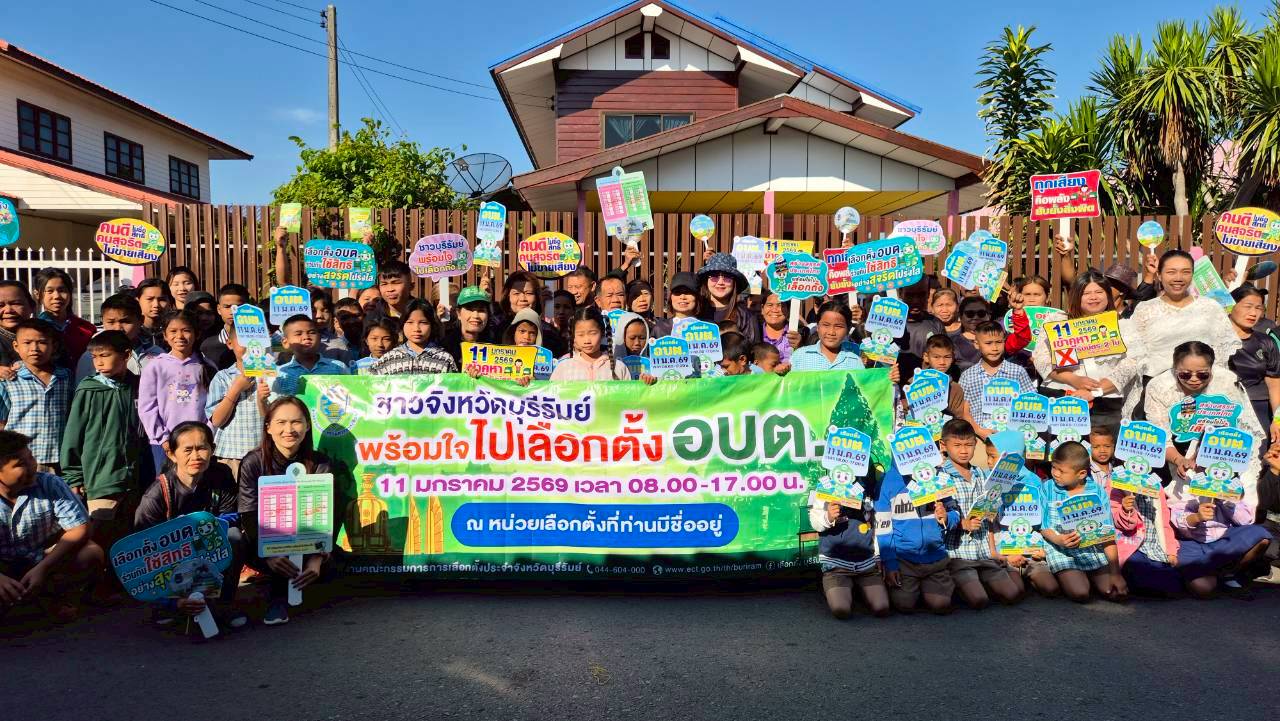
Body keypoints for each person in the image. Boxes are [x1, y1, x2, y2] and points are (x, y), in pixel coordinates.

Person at [238, 397, 347, 625]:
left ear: (307, 426)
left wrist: (318, 557)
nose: (289, 430)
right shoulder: (252, 463)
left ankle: (308, 587)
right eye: (281, 422)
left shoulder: (321, 464)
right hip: (263, 547)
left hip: (309, 544)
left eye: (296, 422)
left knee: (337, 568)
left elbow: (331, 514)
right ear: (268, 427)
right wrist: (269, 553)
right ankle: (276, 599)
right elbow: (248, 514)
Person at [133, 421, 246, 628]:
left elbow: (232, 515)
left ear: (213, 449)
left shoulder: (220, 475)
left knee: (234, 536)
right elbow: (142, 549)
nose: (196, 456)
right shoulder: (157, 494)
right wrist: (172, 602)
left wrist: (205, 529)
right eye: (187, 450)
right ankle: (169, 606)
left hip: (210, 545)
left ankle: (223, 604)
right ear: (172, 454)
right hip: (171, 557)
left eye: (202, 448)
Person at [0, 430, 103, 622]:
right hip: (4, 567)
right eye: (20, 464)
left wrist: (44, 568)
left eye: (31, 458)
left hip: (41, 558)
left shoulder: (49, 483)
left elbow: (80, 527)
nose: (32, 465)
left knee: (90, 553)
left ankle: (55, 598)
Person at [1144, 341, 1264, 507]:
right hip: (1179, 451)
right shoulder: (1160, 387)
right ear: (1175, 369)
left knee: (1237, 501)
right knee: (1187, 503)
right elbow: (1161, 438)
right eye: (1185, 375)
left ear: (1211, 369)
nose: (1194, 379)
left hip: (1224, 450)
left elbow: (1245, 427)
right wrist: (1179, 460)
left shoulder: (1227, 381)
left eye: (1202, 375)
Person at [59, 331, 143, 556]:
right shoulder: (89, 389)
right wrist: (74, 476)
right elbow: (73, 435)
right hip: (100, 477)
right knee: (99, 536)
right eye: (95, 357)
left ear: (126, 355)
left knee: (130, 539)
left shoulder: (139, 386)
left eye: (105, 355)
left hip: (135, 479)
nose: (99, 362)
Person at [1031, 271, 1143, 426]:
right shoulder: (1057, 322)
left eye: (1099, 292)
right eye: (1086, 293)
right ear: (1076, 296)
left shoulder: (1123, 326)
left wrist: (1095, 391)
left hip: (1105, 402)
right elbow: (1041, 358)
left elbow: (1132, 363)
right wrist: (1073, 379)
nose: (1093, 297)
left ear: (1108, 295)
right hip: (1060, 396)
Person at [941, 421, 1023, 608]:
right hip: (958, 554)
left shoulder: (981, 474)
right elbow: (939, 518)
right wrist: (962, 523)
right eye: (957, 445)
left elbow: (990, 516)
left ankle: (981, 582)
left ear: (975, 444)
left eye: (969, 445)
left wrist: (993, 551)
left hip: (984, 552)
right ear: (944, 446)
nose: (964, 451)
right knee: (979, 600)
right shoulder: (940, 477)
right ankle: (957, 584)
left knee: (1012, 594)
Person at [1127, 250, 1241, 380]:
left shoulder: (1210, 307)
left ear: (1192, 275)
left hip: (1202, 384)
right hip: (1156, 384)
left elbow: (1221, 354)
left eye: (1185, 272)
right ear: (1159, 275)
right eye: (1171, 272)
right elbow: (1134, 354)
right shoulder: (1145, 309)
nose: (1178, 278)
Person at [1100, 424, 1184, 598]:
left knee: (1173, 581)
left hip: (1154, 545)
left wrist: (1170, 551)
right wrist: (1126, 509)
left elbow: (1164, 522)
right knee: (1140, 570)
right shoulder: (1116, 483)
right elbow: (1117, 521)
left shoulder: (1155, 486)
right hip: (1129, 545)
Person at [1039, 441, 1126, 603]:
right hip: (1061, 549)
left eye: (1061, 471)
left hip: (1092, 549)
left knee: (1115, 593)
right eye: (1053, 467)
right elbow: (1044, 527)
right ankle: (1071, 577)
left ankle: (1092, 577)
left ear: (1081, 474)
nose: (1055, 473)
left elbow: (1107, 534)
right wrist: (1058, 539)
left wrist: (1116, 573)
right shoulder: (1047, 488)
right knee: (1080, 593)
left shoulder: (1097, 491)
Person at [874, 459, 960, 614]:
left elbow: (955, 512)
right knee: (904, 605)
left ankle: (930, 589)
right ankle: (914, 591)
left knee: (941, 605)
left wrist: (947, 517)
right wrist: (890, 563)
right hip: (904, 560)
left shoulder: (938, 475)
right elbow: (883, 528)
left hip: (935, 558)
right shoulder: (887, 481)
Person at [138, 310, 212, 475]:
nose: (180, 336)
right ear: (165, 335)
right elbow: (147, 408)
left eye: (186, 330)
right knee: (168, 485)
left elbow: (213, 406)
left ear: (197, 334)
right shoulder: (155, 366)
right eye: (173, 331)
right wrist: (162, 438)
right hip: (165, 443)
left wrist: (207, 435)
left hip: (199, 442)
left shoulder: (206, 366)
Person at [808, 479, 890, 620]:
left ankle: (857, 589)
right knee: (841, 610)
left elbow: (874, 524)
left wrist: (877, 555)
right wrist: (828, 517)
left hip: (866, 563)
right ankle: (837, 588)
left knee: (881, 608)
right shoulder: (826, 486)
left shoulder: (867, 485)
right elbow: (815, 523)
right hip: (836, 564)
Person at [0, 319, 71, 473]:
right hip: (21, 460)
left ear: (54, 346)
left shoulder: (66, 378)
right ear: (16, 346)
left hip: (60, 459)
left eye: (42, 342)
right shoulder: (9, 380)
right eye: (27, 343)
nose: (34, 348)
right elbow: (2, 423)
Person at [206, 330, 271, 478]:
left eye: (255, 341)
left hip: (265, 452)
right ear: (230, 344)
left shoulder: (270, 376)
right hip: (232, 454)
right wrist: (235, 389)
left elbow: (274, 417)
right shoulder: (222, 377)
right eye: (244, 341)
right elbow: (217, 420)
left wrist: (262, 399)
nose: (250, 346)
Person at [958, 321, 1034, 444]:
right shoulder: (968, 376)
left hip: (1013, 437)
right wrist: (979, 431)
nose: (994, 348)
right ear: (976, 344)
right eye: (988, 343)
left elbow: (1031, 404)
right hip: (979, 438)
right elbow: (964, 412)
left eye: (999, 342)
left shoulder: (1017, 372)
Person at [1226, 285, 1280, 446]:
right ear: (1231, 306)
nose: (1253, 313)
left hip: (1258, 407)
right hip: (1220, 407)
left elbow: (1275, 386)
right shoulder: (1212, 337)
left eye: (1258, 308)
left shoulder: (1266, 342)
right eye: (1247, 306)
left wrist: (1277, 420)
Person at [74, 294, 160, 384]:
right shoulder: (90, 357)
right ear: (102, 321)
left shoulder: (157, 354)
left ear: (141, 320)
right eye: (111, 322)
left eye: (125, 321)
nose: (118, 328)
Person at [368, 299, 456, 375]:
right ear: (402, 324)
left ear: (432, 325)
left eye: (423, 322)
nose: (416, 329)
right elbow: (371, 385)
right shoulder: (389, 358)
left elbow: (454, 387)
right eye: (410, 322)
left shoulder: (444, 358)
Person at [271, 315, 349, 397]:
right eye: (298, 334)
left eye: (311, 332)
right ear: (285, 343)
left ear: (319, 338)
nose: (306, 337)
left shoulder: (338, 367)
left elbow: (351, 397)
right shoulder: (280, 373)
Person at [33, 268, 95, 366]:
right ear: (37, 294)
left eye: (62, 290)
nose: (57, 296)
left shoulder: (87, 329)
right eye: (50, 291)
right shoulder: (33, 330)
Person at [550, 306, 631, 381]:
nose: (587, 341)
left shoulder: (618, 367)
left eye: (593, 333)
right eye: (580, 335)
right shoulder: (563, 368)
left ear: (602, 333)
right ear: (574, 336)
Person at [495, 271, 563, 357]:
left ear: (537, 297)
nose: (522, 298)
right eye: (516, 293)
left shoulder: (549, 333)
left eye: (528, 293)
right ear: (507, 296)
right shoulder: (497, 327)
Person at [789, 302, 869, 373]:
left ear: (848, 329)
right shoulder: (799, 356)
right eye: (826, 325)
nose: (831, 332)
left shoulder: (855, 362)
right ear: (817, 327)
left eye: (838, 326)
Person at [697, 253, 758, 344]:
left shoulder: (746, 316)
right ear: (706, 281)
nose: (720, 282)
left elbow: (754, 348)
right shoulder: (696, 311)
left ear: (734, 282)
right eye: (714, 276)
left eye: (727, 277)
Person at [916, 334, 974, 426]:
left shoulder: (955, 388)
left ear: (953, 357)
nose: (942, 362)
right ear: (926, 357)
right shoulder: (914, 384)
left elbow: (959, 419)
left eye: (947, 357)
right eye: (936, 357)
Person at [201, 283, 251, 371]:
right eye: (227, 307)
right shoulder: (208, 346)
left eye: (238, 307)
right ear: (219, 309)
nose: (232, 312)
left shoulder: (261, 342)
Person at [442, 286, 495, 368]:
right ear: (458, 313)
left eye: (481, 310)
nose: (475, 315)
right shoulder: (445, 347)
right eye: (470, 309)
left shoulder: (495, 344)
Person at [758, 293, 805, 365]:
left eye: (780, 305)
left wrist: (800, 347)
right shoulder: (754, 333)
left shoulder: (802, 333)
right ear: (762, 309)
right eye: (770, 305)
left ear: (788, 310)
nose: (774, 310)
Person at [0, 280, 35, 376]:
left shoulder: (46, 335)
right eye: (1, 305)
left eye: (16, 303)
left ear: (32, 307)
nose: (8, 310)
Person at [652, 272, 701, 339]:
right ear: (671, 297)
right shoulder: (660, 329)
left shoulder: (708, 327)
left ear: (697, 297)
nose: (682, 297)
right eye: (677, 292)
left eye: (688, 292)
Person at [948, 297, 990, 374]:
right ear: (960, 317)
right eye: (970, 314)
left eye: (981, 313)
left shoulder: (999, 340)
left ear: (988, 316)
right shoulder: (951, 343)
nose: (975, 317)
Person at [133, 278, 173, 353]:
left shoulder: (174, 331)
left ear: (169, 302)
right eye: (150, 299)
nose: (156, 305)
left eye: (162, 299)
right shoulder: (132, 332)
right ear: (137, 301)